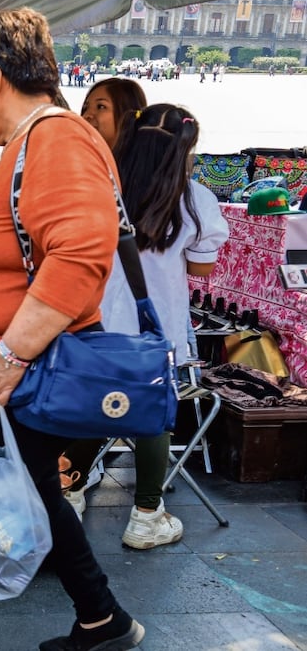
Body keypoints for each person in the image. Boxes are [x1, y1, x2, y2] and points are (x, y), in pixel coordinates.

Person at [0, 8, 144, 651]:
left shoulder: (56, 137)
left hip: (17, 371)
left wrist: (8, 355)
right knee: (28, 490)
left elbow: (81, 255)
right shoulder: (34, 143)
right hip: (12, 372)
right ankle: (102, 619)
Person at [66, 88, 229, 550]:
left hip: (98, 322)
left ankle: (71, 490)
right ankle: (146, 516)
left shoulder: (104, 190)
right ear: (184, 152)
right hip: (157, 328)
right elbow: (201, 268)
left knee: (93, 409)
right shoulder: (195, 200)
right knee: (154, 417)